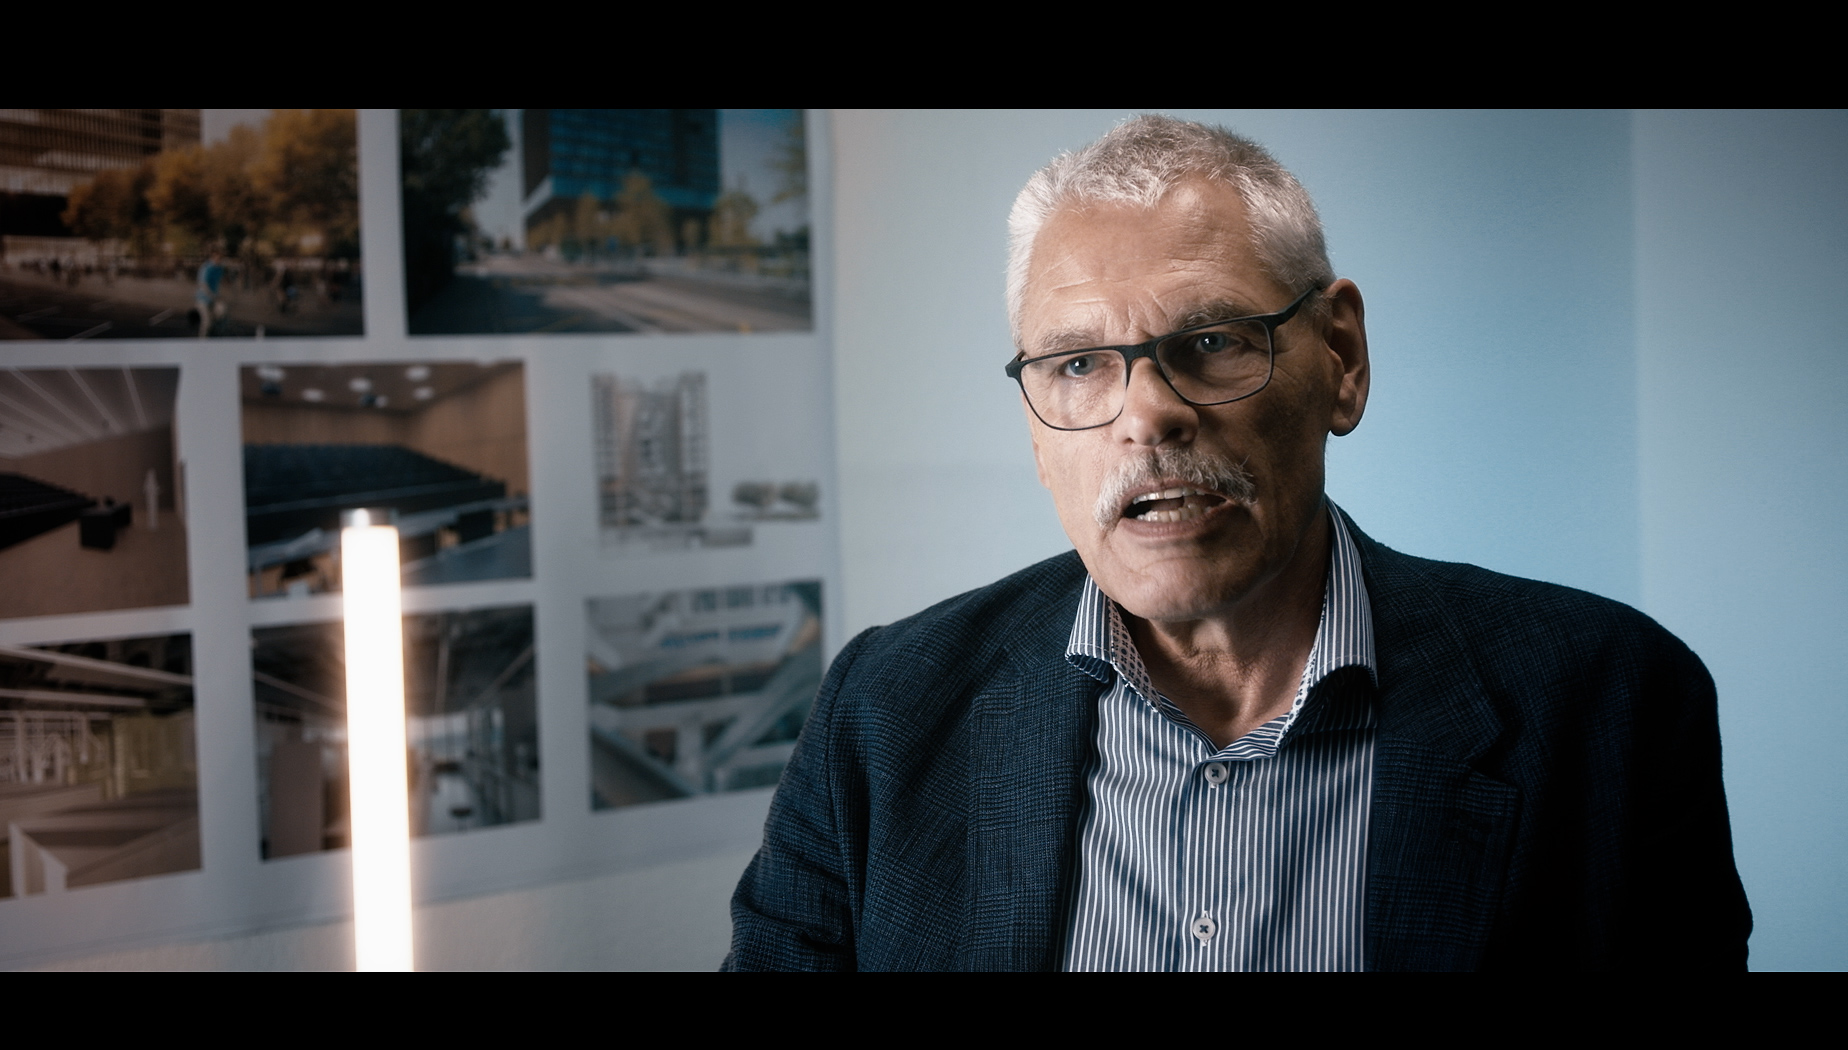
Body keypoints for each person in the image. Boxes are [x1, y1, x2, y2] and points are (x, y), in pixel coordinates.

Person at [724, 116, 1750, 971]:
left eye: (1211, 343)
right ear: (1036, 428)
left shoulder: (1610, 702)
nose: (1147, 416)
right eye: (1078, 364)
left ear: (1341, 358)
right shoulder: (883, 710)